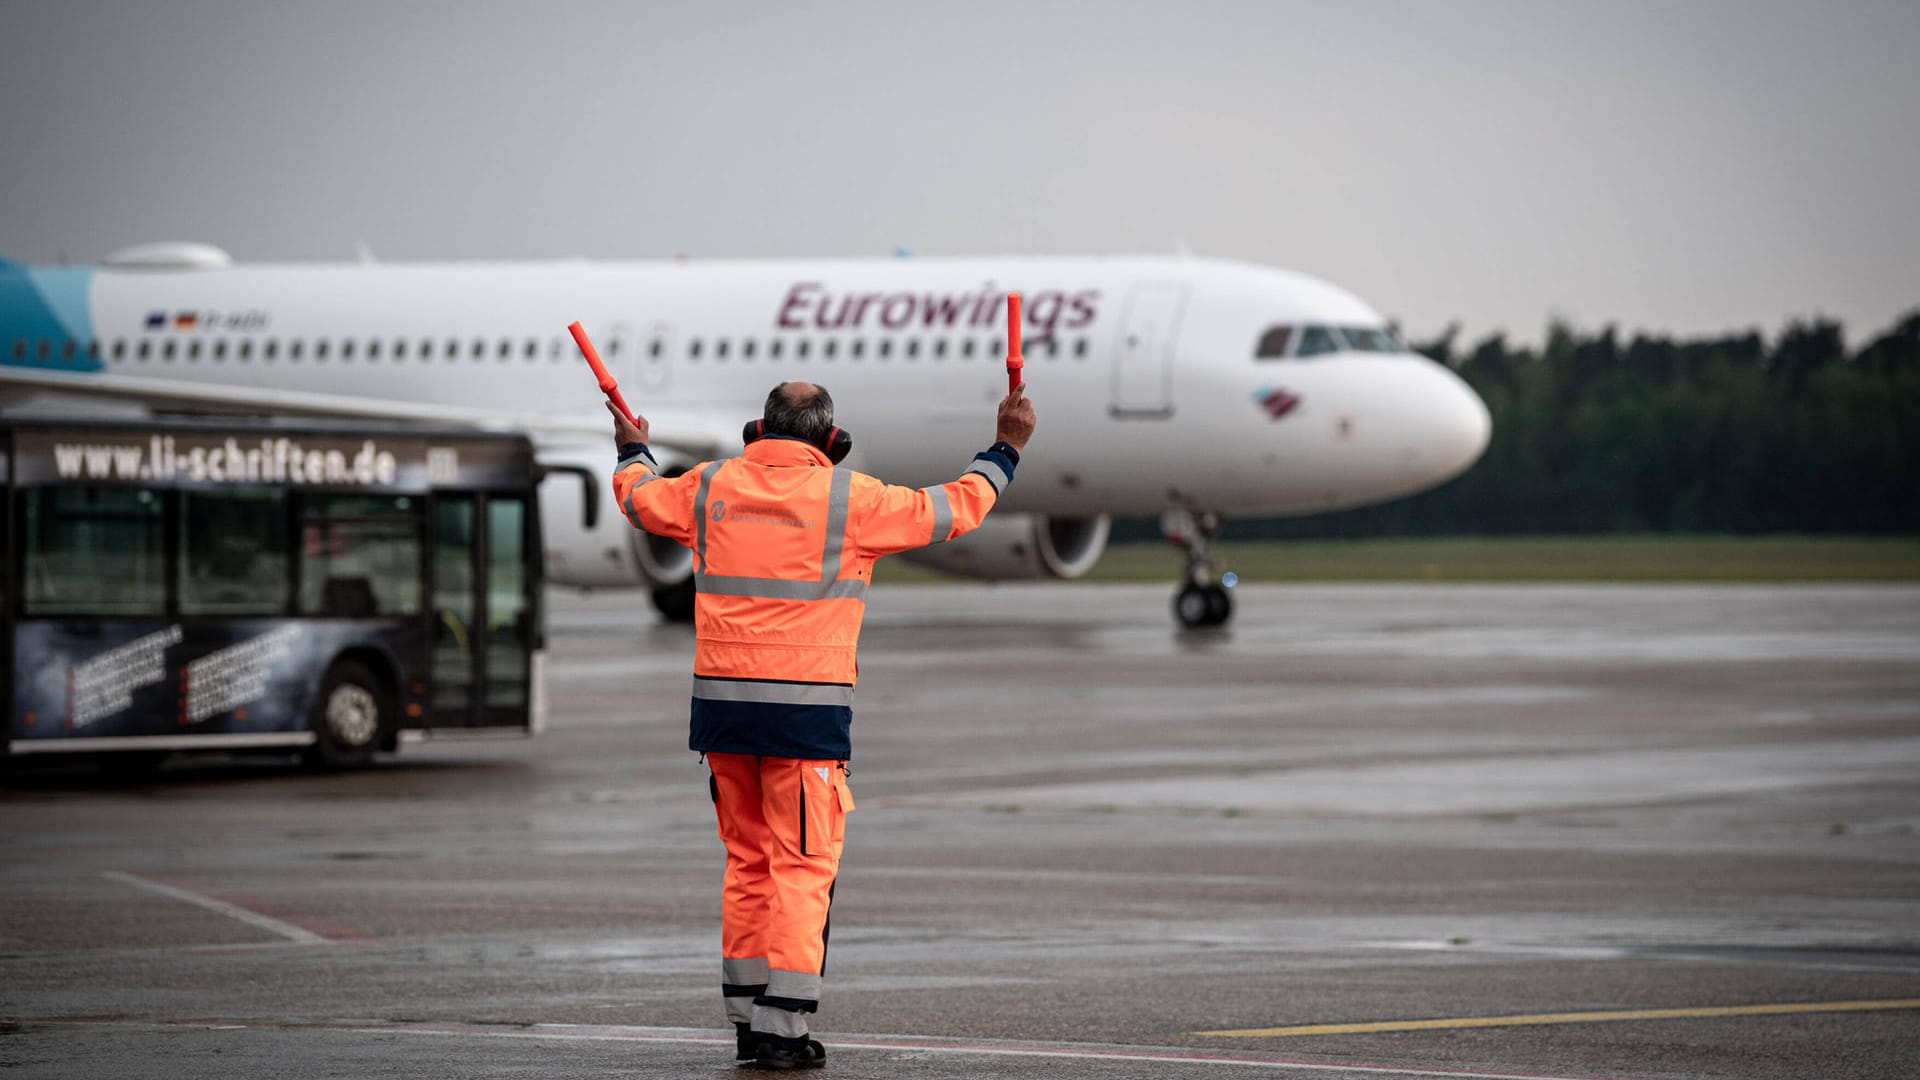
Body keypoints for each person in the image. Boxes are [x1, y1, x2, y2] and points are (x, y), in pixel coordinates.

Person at [607, 381, 1036, 1070]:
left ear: (761, 428)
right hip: (804, 721)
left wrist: (632, 447)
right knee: (804, 869)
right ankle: (783, 1028)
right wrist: (1007, 448)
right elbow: (957, 508)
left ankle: (749, 1019)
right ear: (830, 439)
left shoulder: (709, 487)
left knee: (747, 865)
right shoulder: (853, 499)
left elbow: (636, 496)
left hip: (722, 717)